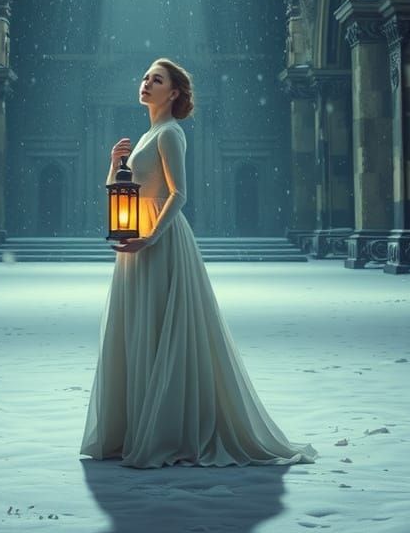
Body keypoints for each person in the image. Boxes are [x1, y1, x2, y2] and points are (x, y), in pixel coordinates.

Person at [80, 58, 317, 469]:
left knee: (161, 329)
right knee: (140, 329)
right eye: (144, 77)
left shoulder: (171, 133)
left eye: (156, 79)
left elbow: (179, 194)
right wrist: (113, 164)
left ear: (173, 93)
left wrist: (151, 238)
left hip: (160, 241)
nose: (145, 83)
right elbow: (123, 192)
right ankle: (137, 426)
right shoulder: (147, 134)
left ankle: (167, 431)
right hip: (137, 239)